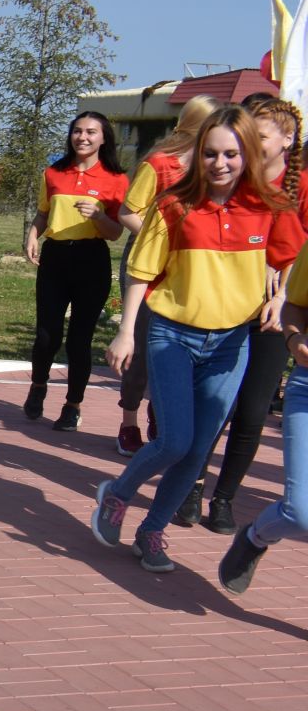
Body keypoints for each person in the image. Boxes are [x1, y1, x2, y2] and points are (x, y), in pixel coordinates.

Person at [91, 106, 302, 573]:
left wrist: (280, 295)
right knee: (175, 442)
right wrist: (126, 332)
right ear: (198, 154)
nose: (221, 163)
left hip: (230, 345)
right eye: (210, 153)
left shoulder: (270, 206)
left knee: (199, 447)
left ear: (247, 154)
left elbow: (291, 256)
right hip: (173, 335)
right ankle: (118, 494)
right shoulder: (174, 205)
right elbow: (141, 272)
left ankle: (152, 532)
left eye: (231, 153)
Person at [191, 95, 305, 533]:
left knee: (254, 410)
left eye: (256, 137)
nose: (246, 146)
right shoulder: (231, 187)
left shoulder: (292, 191)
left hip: (278, 313)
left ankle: (225, 498)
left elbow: (296, 252)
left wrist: (283, 295)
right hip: (228, 308)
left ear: (286, 142)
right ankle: (192, 485)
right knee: (217, 404)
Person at [113, 97, 218, 456]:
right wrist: (161, 239)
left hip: (186, 268)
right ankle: (129, 422)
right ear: (196, 125)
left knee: (171, 346)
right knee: (140, 346)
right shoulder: (159, 163)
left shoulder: (212, 168)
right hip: (147, 262)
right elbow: (128, 212)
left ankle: (161, 417)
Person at [22, 112, 128, 431]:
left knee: (79, 340)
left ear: (103, 138)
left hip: (91, 260)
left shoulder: (117, 179)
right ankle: (38, 386)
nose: (83, 137)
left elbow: (115, 233)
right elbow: (43, 214)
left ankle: (72, 406)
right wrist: (31, 234)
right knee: (46, 335)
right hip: (55, 259)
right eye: (77, 131)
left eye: (91, 132)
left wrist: (98, 215)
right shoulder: (54, 172)